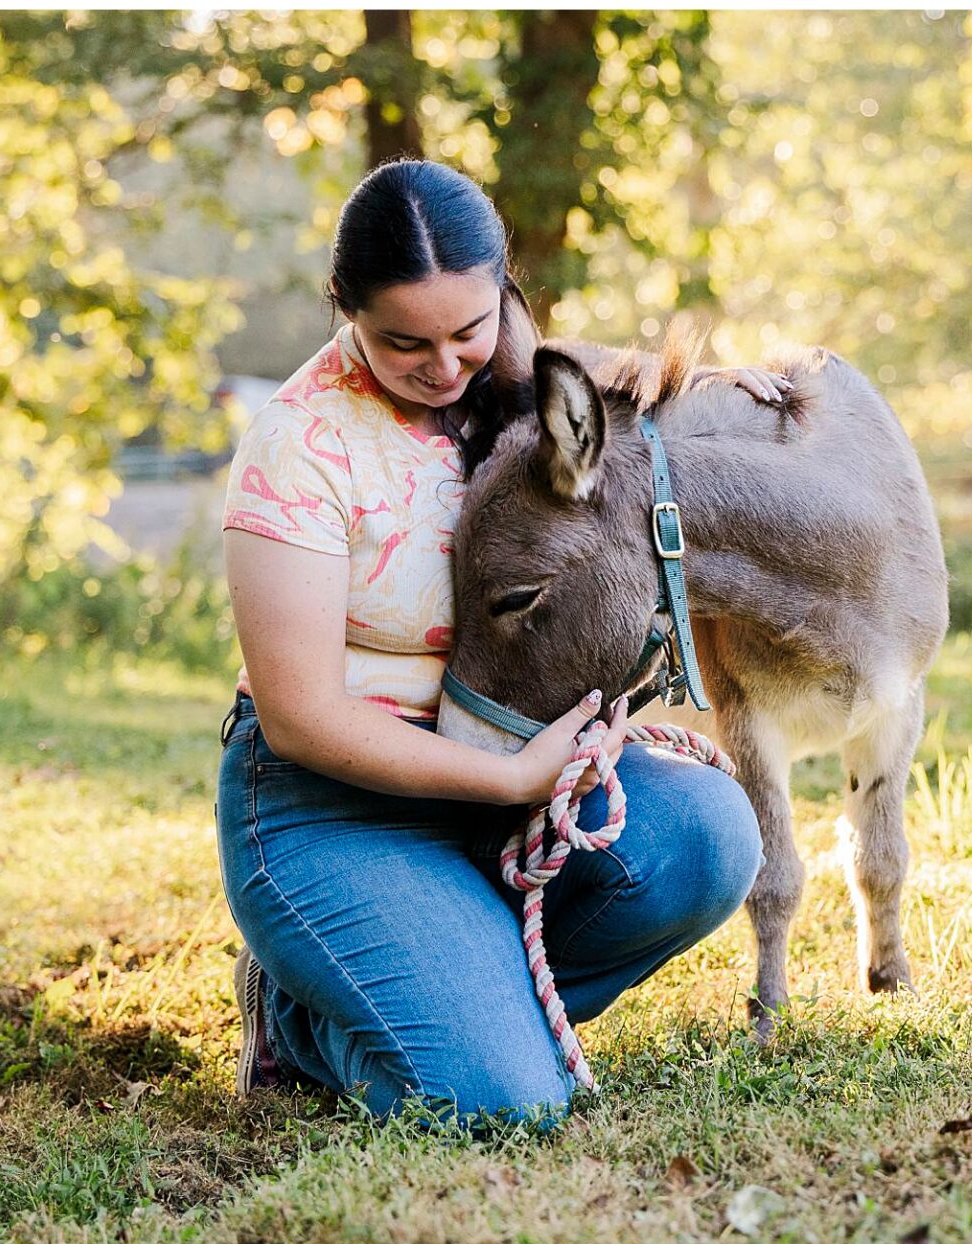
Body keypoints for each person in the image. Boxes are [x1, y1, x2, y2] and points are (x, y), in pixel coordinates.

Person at [217, 157, 769, 1122]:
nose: (441, 369)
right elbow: (301, 718)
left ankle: (444, 984)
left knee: (713, 837)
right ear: (343, 308)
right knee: (502, 1104)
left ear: (502, 296)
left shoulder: (521, 380)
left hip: (504, 771)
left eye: (466, 332)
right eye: (402, 344)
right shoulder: (298, 447)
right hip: (332, 802)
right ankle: (304, 1015)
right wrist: (513, 783)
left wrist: (735, 394)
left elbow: (642, 418)